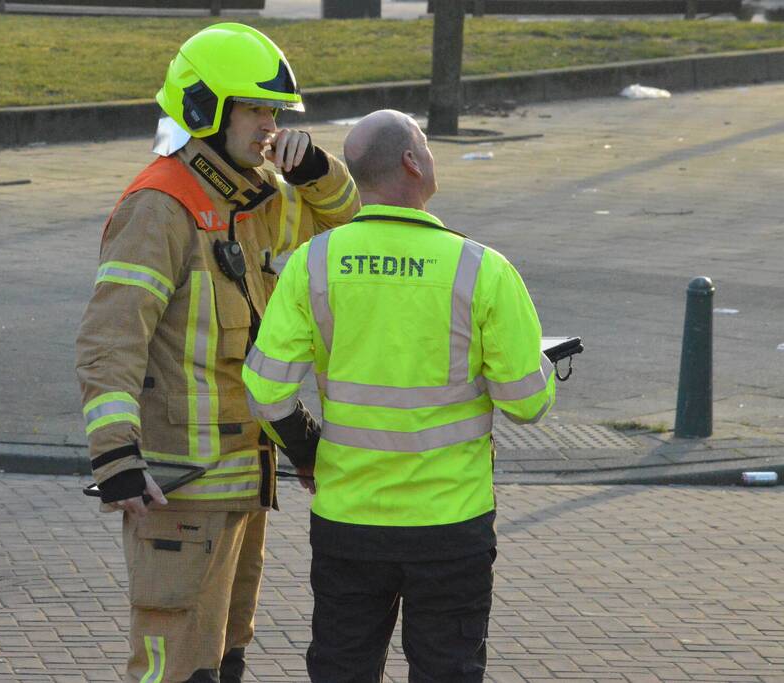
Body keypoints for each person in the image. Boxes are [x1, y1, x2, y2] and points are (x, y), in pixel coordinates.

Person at [75, 23, 359, 683]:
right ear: (206, 109)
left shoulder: (267, 197)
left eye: (274, 111)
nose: (269, 125)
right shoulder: (160, 205)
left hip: (245, 480)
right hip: (179, 486)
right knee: (172, 663)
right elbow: (111, 335)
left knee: (226, 655)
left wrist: (319, 172)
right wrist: (115, 455)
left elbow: (355, 235)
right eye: (256, 108)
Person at [241, 109, 556, 682]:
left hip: (347, 519)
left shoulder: (314, 262)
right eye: (428, 145)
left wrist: (306, 449)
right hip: (449, 524)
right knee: (446, 670)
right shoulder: (481, 269)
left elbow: (265, 389)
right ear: (413, 162)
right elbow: (527, 402)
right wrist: (535, 360)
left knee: (342, 668)